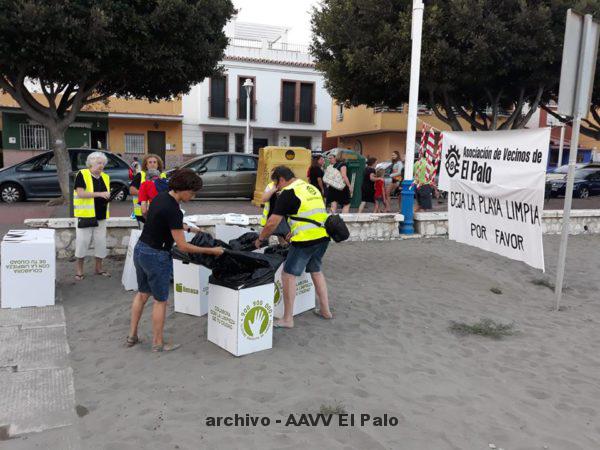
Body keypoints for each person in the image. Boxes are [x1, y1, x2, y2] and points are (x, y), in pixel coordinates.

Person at [127, 169, 224, 352]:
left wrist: (192, 230)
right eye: (192, 192)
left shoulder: (160, 197)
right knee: (160, 300)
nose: (193, 196)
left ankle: (132, 336)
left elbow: (165, 223)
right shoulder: (174, 209)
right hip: (156, 255)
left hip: (141, 249)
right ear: (183, 188)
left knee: (142, 294)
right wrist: (212, 250)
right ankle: (158, 343)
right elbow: (183, 247)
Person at [254, 166, 332, 328]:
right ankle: (325, 310)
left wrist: (260, 239)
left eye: (276, 184)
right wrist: (293, 231)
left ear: (281, 179)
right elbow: (310, 213)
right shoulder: (310, 188)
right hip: (323, 236)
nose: (277, 188)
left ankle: (287, 319)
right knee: (316, 271)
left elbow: (272, 223)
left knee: (288, 275)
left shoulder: (288, 192)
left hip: (306, 240)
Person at [73, 152, 111, 281]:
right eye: (98, 163)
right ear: (91, 163)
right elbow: (80, 193)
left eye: (103, 163)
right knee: (82, 243)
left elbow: (106, 194)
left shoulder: (105, 177)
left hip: (101, 215)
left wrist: (108, 196)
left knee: (101, 243)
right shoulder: (82, 174)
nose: (101, 166)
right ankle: (79, 271)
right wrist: (100, 194)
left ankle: (99, 268)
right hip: (85, 216)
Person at [129, 154, 166, 223]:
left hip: (159, 212)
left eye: (155, 162)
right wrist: (145, 195)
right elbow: (131, 190)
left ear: (158, 165)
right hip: (141, 213)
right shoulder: (141, 175)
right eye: (150, 162)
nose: (152, 164)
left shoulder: (163, 176)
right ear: (146, 165)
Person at [260, 178, 291, 245]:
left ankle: (285, 247)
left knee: (286, 235)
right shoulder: (270, 186)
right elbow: (264, 199)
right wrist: (273, 190)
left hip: (284, 216)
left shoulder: (288, 185)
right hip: (273, 214)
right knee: (278, 234)